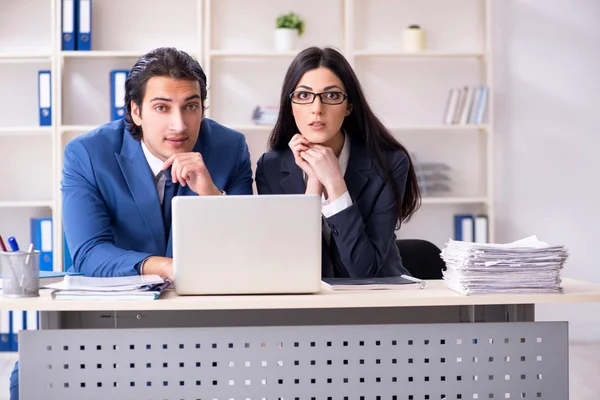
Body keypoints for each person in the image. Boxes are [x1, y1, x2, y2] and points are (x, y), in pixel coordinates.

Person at [9, 47, 253, 399]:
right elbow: (90, 252)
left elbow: (248, 251)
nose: (179, 124)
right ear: (135, 111)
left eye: (191, 106)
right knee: (28, 378)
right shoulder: (88, 154)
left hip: (199, 319)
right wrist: (167, 267)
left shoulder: (230, 148)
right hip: (108, 316)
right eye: (161, 107)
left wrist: (211, 194)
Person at [255, 46, 421, 278]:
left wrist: (334, 183)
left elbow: (364, 270)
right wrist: (314, 182)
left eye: (331, 95)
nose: (317, 109)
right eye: (303, 95)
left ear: (349, 106)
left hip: (378, 300)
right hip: (308, 306)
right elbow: (294, 266)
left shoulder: (390, 163)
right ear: (290, 106)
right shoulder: (270, 167)